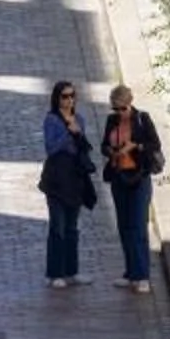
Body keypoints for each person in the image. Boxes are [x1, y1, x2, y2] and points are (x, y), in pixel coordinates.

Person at [99, 86, 166, 294]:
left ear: (130, 102)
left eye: (122, 108)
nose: (119, 112)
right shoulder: (112, 121)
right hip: (119, 176)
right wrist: (112, 151)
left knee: (138, 226)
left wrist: (135, 146)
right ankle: (130, 273)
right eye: (115, 109)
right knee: (124, 226)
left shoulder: (142, 119)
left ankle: (142, 275)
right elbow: (103, 145)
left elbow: (154, 144)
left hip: (139, 178)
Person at [36, 83, 96, 288]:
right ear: (57, 98)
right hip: (56, 180)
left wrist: (78, 134)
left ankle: (72, 270)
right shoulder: (51, 120)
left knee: (72, 228)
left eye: (72, 96)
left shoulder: (79, 119)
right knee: (57, 227)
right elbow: (51, 148)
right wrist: (68, 132)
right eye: (65, 96)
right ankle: (55, 273)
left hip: (75, 178)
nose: (69, 100)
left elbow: (84, 148)